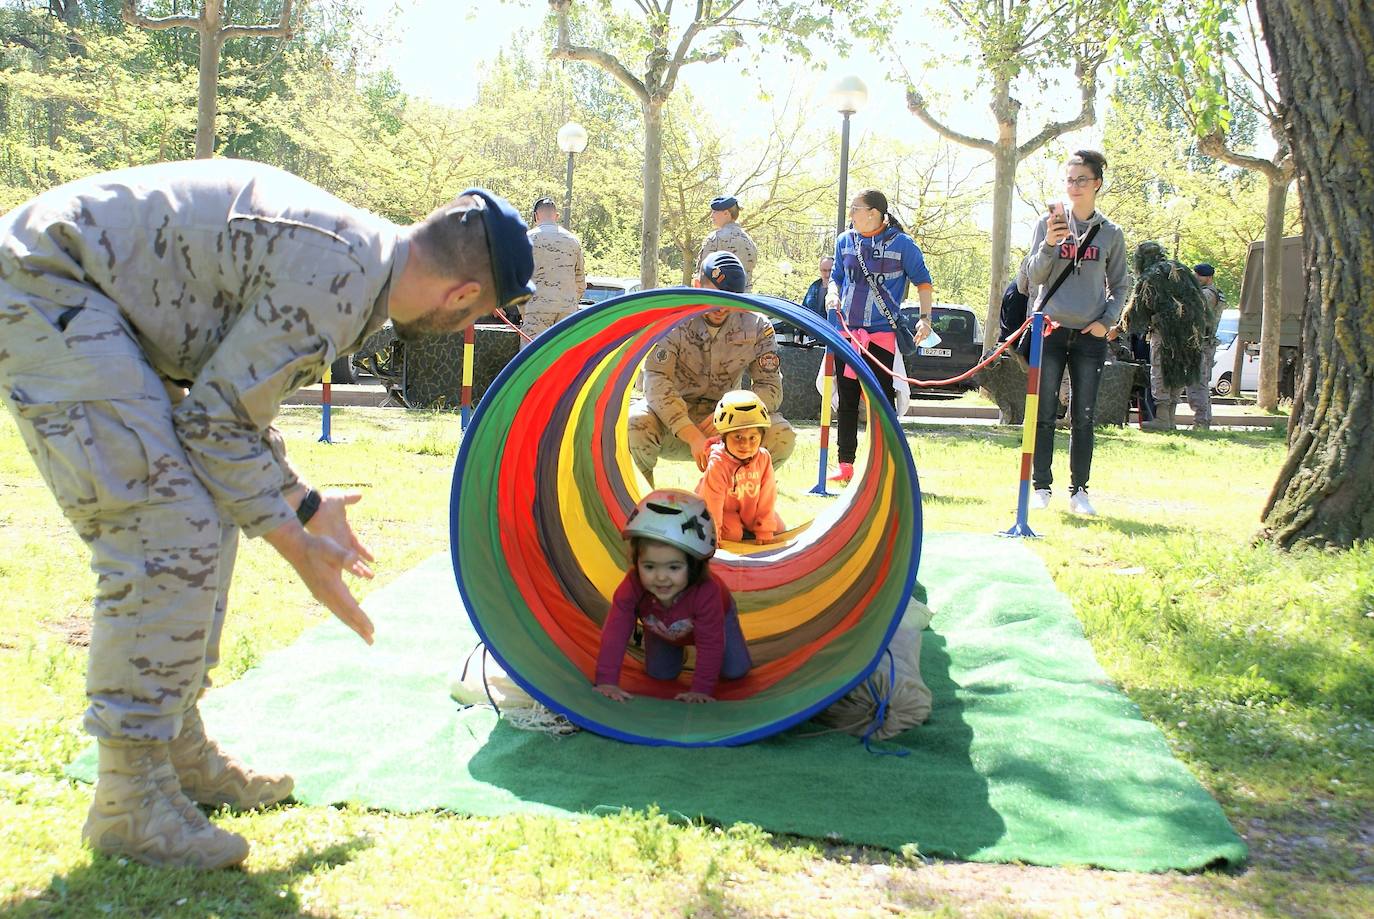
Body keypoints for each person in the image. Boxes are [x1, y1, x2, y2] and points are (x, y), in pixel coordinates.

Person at [0, 159, 533, 869]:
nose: (460, 321)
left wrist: (305, 504)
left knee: (205, 507)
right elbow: (216, 426)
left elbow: (229, 412)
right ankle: (130, 798)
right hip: (48, 285)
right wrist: (297, 544)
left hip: (85, 294)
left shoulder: (360, 260)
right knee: (164, 525)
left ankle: (176, 746)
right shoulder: (340, 278)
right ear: (463, 294)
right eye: (471, 313)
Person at [1020, 149, 1129, 516]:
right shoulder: (1047, 223)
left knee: (1083, 414)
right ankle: (1041, 487)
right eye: (1069, 180)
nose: (1075, 187)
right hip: (1048, 328)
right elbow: (1032, 277)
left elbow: (1121, 284)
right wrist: (1051, 244)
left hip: (1089, 335)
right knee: (1044, 411)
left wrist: (1106, 322)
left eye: (1082, 180)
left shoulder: (1111, 233)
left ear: (1097, 183)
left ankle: (1080, 490)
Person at [626, 251, 795, 483]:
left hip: (730, 423)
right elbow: (656, 380)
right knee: (635, 423)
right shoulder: (673, 321)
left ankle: (739, 496)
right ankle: (639, 500)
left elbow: (770, 388)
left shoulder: (756, 325)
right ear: (697, 285)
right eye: (714, 296)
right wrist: (690, 432)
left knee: (780, 434)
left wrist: (734, 417)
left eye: (730, 300)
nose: (721, 307)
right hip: (673, 422)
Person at [594, 489, 752, 703]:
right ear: (636, 562)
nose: (661, 577)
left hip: (716, 622)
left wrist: (700, 690)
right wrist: (606, 681)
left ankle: (696, 653)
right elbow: (615, 631)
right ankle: (677, 650)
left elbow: (711, 643)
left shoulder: (707, 592)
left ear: (694, 564)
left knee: (735, 671)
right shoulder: (632, 586)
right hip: (661, 628)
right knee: (660, 675)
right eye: (649, 566)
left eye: (674, 567)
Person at [823, 188, 935, 484]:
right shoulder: (845, 242)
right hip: (847, 332)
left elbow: (924, 282)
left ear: (873, 213)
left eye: (855, 208)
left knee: (880, 402)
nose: (850, 214)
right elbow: (836, 276)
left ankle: (884, 464)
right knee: (847, 400)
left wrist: (926, 319)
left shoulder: (903, 245)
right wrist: (832, 294)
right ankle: (845, 464)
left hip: (882, 335)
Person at [1119, 242, 1209, 433]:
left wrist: (1118, 329)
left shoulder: (1151, 276)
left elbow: (1134, 312)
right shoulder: (1181, 270)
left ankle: (1162, 417)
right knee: (1179, 371)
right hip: (1191, 333)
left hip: (1166, 332)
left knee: (1161, 370)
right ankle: (1171, 417)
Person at [696, 390, 783, 543]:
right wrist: (711, 535)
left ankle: (748, 530)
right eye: (738, 437)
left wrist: (765, 529)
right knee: (733, 535)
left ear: (761, 437)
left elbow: (767, 496)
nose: (745, 444)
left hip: (750, 509)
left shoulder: (763, 458)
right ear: (724, 436)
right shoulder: (718, 462)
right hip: (721, 510)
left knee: (778, 529)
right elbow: (712, 502)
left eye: (753, 438)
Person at [520, 196, 586, 347]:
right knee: (563, 360)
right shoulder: (572, 240)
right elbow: (580, 281)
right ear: (556, 216)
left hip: (536, 309)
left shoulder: (527, 239)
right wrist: (569, 303)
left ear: (536, 216)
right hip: (566, 312)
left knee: (532, 360)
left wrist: (524, 310)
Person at [1182, 263, 1224, 430]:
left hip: (1201, 344)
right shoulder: (1212, 293)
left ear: (1209, 277)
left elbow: (1192, 310)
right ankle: (1203, 419)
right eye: (1196, 275)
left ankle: (1201, 421)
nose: (1197, 278)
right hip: (1204, 343)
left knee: (1197, 382)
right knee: (1201, 383)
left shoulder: (1207, 294)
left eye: (1200, 276)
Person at [697, 195, 758, 292]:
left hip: (720, 300)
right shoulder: (749, 241)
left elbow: (702, 276)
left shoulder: (715, 239)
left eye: (714, 212)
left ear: (726, 213)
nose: (711, 216)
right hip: (744, 302)